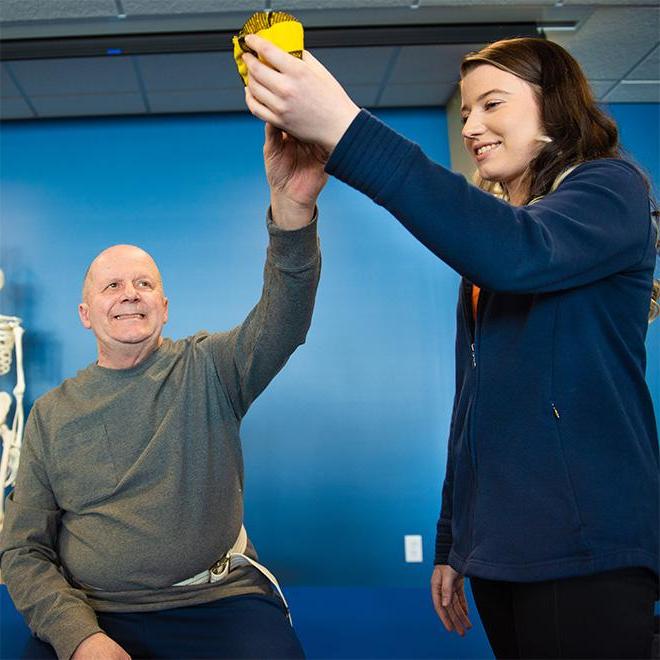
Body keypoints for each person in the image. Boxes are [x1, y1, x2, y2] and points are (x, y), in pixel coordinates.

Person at [241, 35, 659, 658]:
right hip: (500, 548)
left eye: (492, 104)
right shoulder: (497, 244)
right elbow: (477, 404)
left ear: (556, 106)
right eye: (465, 111)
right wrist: (453, 541)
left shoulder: (610, 188)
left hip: (586, 547)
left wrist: (346, 129)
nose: (471, 125)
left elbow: (517, 252)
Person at [0, 123, 326, 659]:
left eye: (144, 284)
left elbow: (285, 318)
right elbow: (24, 549)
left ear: (164, 307)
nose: (130, 295)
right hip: (96, 609)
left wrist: (293, 214)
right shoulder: (51, 416)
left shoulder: (210, 369)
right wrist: (79, 638)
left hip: (217, 599)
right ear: (86, 315)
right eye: (112, 286)